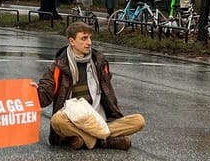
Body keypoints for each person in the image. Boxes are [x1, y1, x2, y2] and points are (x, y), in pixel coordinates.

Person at [37, 21, 145, 150]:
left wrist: (112, 115)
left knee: (138, 120)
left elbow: (108, 96)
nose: (89, 42)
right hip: (72, 120)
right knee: (57, 120)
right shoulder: (58, 66)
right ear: (72, 41)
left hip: (98, 120)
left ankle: (85, 139)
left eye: (90, 38)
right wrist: (34, 92)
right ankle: (105, 140)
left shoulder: (99, 63)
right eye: (84, 38)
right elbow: (44, 99)